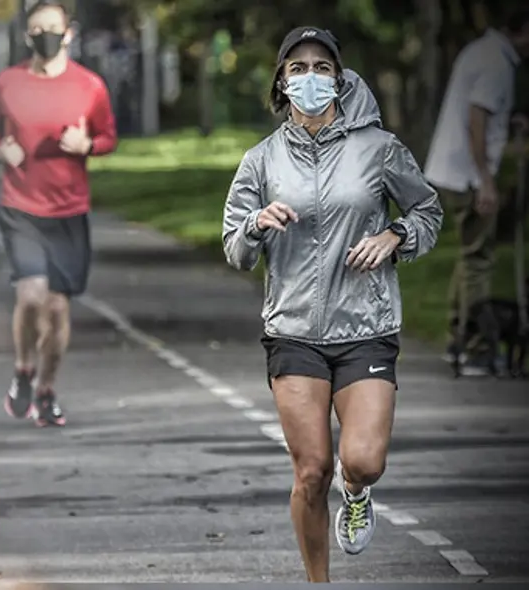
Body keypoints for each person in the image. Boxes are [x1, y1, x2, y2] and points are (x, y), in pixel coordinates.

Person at [222, 27, 443, 582]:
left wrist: (395, 236)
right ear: (282, 81)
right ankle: (318, 581)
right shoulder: (261, 160)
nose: (311, 77)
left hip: (365, 325)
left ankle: (357, 491)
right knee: (311, 470)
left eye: (322, 67)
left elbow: (428, 211)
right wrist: (256, 223)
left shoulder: (379, 148)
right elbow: (234, 248)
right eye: (298, 68)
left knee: (362, 460)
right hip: (294, 330)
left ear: (339, 80)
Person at [0, 0, 117, 427]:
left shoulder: (90, 86)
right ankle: (23, 369)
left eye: (53, 29)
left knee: (57, 308)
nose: (46, 36)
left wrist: (88, 146)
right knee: (31, 295)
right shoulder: (7, 83)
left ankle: (46, 388)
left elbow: (108, 136)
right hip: (21, 206)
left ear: (68, 33)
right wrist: (0, 148)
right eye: (38, 29)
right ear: (27, 36)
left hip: (69, 210)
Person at [424, 11, 529, 375]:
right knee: (479, 259)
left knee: (469, 256)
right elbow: (476, 119)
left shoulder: (482, 50)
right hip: (469, 174)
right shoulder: (498, 63)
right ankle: (476, 346)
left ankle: (459, 338)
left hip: (453, 169)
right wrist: (486, 180)